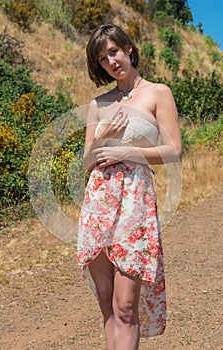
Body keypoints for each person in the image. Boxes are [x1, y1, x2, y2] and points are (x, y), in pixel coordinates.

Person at [77, 24, 182, 350]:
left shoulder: (158, 93)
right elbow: (86, 160)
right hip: (98, 202)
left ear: (128, 48)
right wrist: (105, 138)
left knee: (125, 306)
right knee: (107, 305)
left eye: (114, 51)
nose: (111, 61)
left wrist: (126, 151)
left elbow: (174, 151)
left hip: (135, 203)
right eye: (102, 58)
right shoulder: (99, 103)